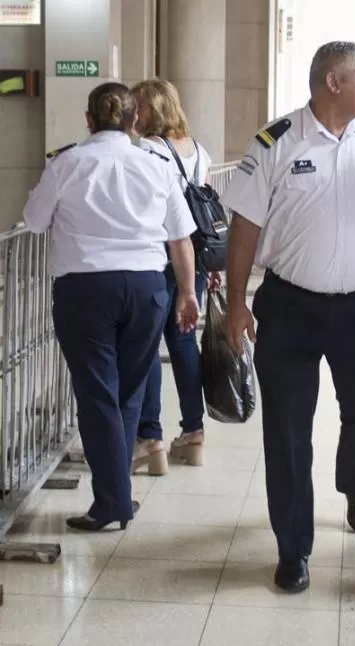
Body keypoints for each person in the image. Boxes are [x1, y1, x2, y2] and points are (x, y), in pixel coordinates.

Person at [219, 41, 355, 594]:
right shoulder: (275, 142)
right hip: (291, 305)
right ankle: (293, 548)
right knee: (286, 432)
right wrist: (235, 303)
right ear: (333, 82)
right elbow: (245, 226)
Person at [22, 82, 200, 531]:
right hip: (146, 288)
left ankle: (113, 502)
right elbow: (180, 237)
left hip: (85, 292)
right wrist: (187, 292)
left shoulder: (67, 163)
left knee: (97, 394)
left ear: (88, 118)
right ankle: (117, 497)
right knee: (128, 393)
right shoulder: (155, 166)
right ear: (135, 119)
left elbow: (34, 221)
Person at [129, 78, 216, 475]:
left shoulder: (146, 150)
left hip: (158, 254)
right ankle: (194, 433)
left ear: (151, 110)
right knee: (184, 344)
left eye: (139, 107)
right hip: (193, 259)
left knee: (147, 346)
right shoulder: (199, 151)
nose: (133, 114)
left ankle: (151, 438)